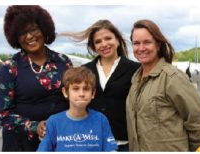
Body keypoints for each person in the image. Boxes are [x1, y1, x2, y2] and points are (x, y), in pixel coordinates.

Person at [0, 5, 72, 151]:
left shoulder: (63, 61)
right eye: (22, 33)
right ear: (15, 37)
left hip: (61, 141)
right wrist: (35, 127)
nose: (29, 36)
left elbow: (73, 99)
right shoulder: (9, 68)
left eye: (34, 29)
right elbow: (2, 115)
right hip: (22, 145)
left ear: (44, 29)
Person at [126, 19, 200, 151]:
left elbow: (196, 119)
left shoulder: (173, 78)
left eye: (147, 42)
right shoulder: (135, 79)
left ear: (158, 45)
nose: (141, 48)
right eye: (136, 43)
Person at [60, 19, 140, 151]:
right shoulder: (84, 71)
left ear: (118, 40)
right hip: (90, 142)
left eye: (108, 38)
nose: (104, 44)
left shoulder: (135, 69)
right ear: (93, 47)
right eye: (98, 41)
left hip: (124, 143)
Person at [37, 66, 118, 151]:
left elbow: (111, 149)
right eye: (76, 89)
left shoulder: (101, 120)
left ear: (93, 93)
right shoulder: (53, 122)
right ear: (65, 92)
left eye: (86, 89)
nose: (81, 94)